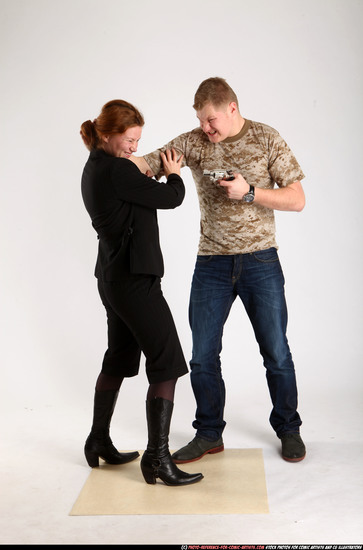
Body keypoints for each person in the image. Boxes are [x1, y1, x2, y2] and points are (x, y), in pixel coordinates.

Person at [131, 77, 307, 463]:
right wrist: (113, 157)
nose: (205, 129)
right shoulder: (194, 141)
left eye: (211, 120)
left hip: (261, 260)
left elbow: (297, 199)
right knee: (202, 356)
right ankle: (209, 432)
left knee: (276, 351)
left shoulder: (265, 137)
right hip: (211, 262)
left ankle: (288, 428)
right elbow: (144, 165)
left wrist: (250, 192)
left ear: (231, 108)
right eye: (200, 120)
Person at [79, 99, 203, 486]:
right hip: (135, 281)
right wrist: (174, 173)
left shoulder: (95, 168)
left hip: (113, 278)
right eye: (129, 140)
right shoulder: (118, 170)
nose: (134, 148)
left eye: (137, 141)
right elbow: (172, 198)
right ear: (106, 135)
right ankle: (157, 459)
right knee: (167, 363)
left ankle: (98, 439)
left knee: (118, 357)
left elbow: (133, 202)